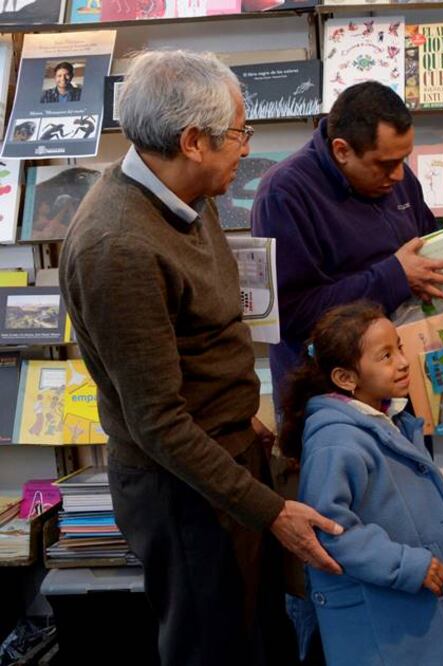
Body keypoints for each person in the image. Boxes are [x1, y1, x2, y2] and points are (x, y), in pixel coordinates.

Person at [59, 50, 344, 666]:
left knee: (257, 637)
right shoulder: (118, 247)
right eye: (239, 134)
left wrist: (242, 419)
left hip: (224, 456)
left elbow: (207, 335)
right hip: (182, 488)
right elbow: (157, 423)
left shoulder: (189, 193)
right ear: (192, 141)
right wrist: (271, 511)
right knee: (213, 648)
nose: (247, 148)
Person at [280, 301, 443, 666]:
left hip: (413, 609)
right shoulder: (337, 441)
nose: (402, 361)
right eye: (385, 356)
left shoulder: (388, 418)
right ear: (345, 378)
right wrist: (406, 565)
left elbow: (394, 498)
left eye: (399, 347)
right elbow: (329, 531)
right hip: (390, 617)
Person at [251, 81, 443, 403]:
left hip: (403, 384)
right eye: (385, 164)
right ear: (342, 150)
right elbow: (291, 315)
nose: (399, 175)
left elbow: (422, 250)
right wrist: (395, 276)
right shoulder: (284, 193)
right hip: (332, 402)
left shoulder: (398, 179)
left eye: (404, 160)